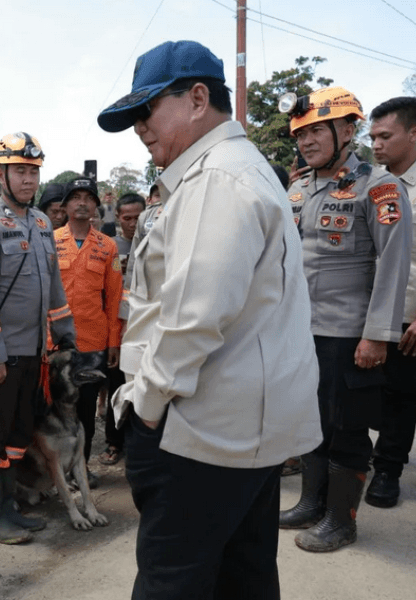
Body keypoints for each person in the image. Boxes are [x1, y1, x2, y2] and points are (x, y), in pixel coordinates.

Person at [98, 40, 322, 598]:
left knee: (173, 579)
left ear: (198, 98)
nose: (140, 129)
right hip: (239, 430)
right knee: (241, 576)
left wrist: (146, 408)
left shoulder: (216, 179)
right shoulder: (237, 170)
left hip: (198, 433)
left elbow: (193, 320)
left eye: (147, 111)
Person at [278, 86, 412, 552]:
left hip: (349, 334)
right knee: (310, 420)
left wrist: (377, 336)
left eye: (316, 130)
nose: (306, 142)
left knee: (348, 427)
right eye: (300, 134)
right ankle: (312, 503)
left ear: (347, 129)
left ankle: (341, 520)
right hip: (301, 331)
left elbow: (394, 265)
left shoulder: (379, 185)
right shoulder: (298, 187)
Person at [0, 131, 76, 545]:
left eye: (33, 172)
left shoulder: (42, 223)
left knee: (16, 433)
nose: (28, 180)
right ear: (1, 173)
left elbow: (54, 287)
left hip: (33, 353)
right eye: (20, 172)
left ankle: (11, 507)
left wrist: (66, 335)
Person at [365, 96, 416, 509]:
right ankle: (361, 456)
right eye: (372, 137)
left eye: (385, 136)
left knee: (400, 394)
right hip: (366, 308)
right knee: (362, 390)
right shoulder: (369, 182)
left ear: (415, 133)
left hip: (410, 312)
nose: (376, 145)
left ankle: (387, 470)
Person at [52, 176, 122, 484]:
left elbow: (115, 297)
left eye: (88, 197)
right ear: (64, 206)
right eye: (75, 197)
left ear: (96, 205)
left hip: (94, 341)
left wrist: (114, 343)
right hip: (56, 342)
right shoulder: (50, 241)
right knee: (54, 408)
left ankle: (81, 466)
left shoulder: (107, 246)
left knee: (85, 411)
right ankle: (57, 469)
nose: (82, 202)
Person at [98, 192, 145, 467]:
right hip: (118, 329)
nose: (132, 223)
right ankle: (114, 444)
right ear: (117, 218)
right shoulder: (109, 247)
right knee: (117, 387)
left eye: (138, 218)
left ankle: (140, 446)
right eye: (127, 218)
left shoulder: (155, 243)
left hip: (146, 329)